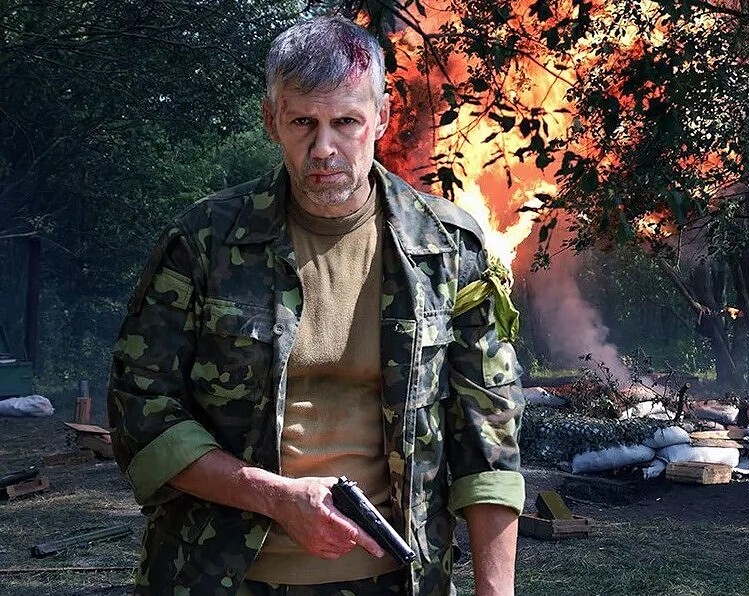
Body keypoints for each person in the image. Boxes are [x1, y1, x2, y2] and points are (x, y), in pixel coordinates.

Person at [107, 15, 525, 596]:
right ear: (271, 120)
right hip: (216, 575)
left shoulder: (449, 248)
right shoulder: (203, 241)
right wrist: (275, 497)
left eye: (345, 122)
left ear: (381, 117)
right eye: (303, 122)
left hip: (397, 579)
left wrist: (495, 590)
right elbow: (142, 410)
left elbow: (489, 432)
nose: (324, 148)